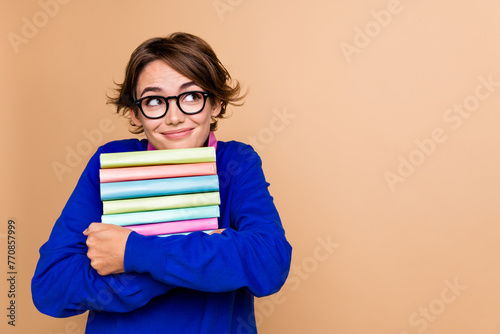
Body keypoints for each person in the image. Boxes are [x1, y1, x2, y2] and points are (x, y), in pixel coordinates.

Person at [31, 32, 292, 334]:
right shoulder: (110, 161)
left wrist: (132, 253)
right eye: (155, 101)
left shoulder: (237, 163)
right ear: (135, 113)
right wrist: (207, 252)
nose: (174, 117)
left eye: (192, 96)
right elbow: (52, 286)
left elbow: (268, 263)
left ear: (216, 103)